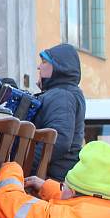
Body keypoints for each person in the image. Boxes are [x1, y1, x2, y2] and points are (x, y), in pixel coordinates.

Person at [32, 43, 85, 181]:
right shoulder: (63, 93)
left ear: (59, 67)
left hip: (51, 180)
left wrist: (25, 163)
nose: (39, 66)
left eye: (44, 61)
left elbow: (57, 140)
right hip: (54, 179)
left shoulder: (62, 95)